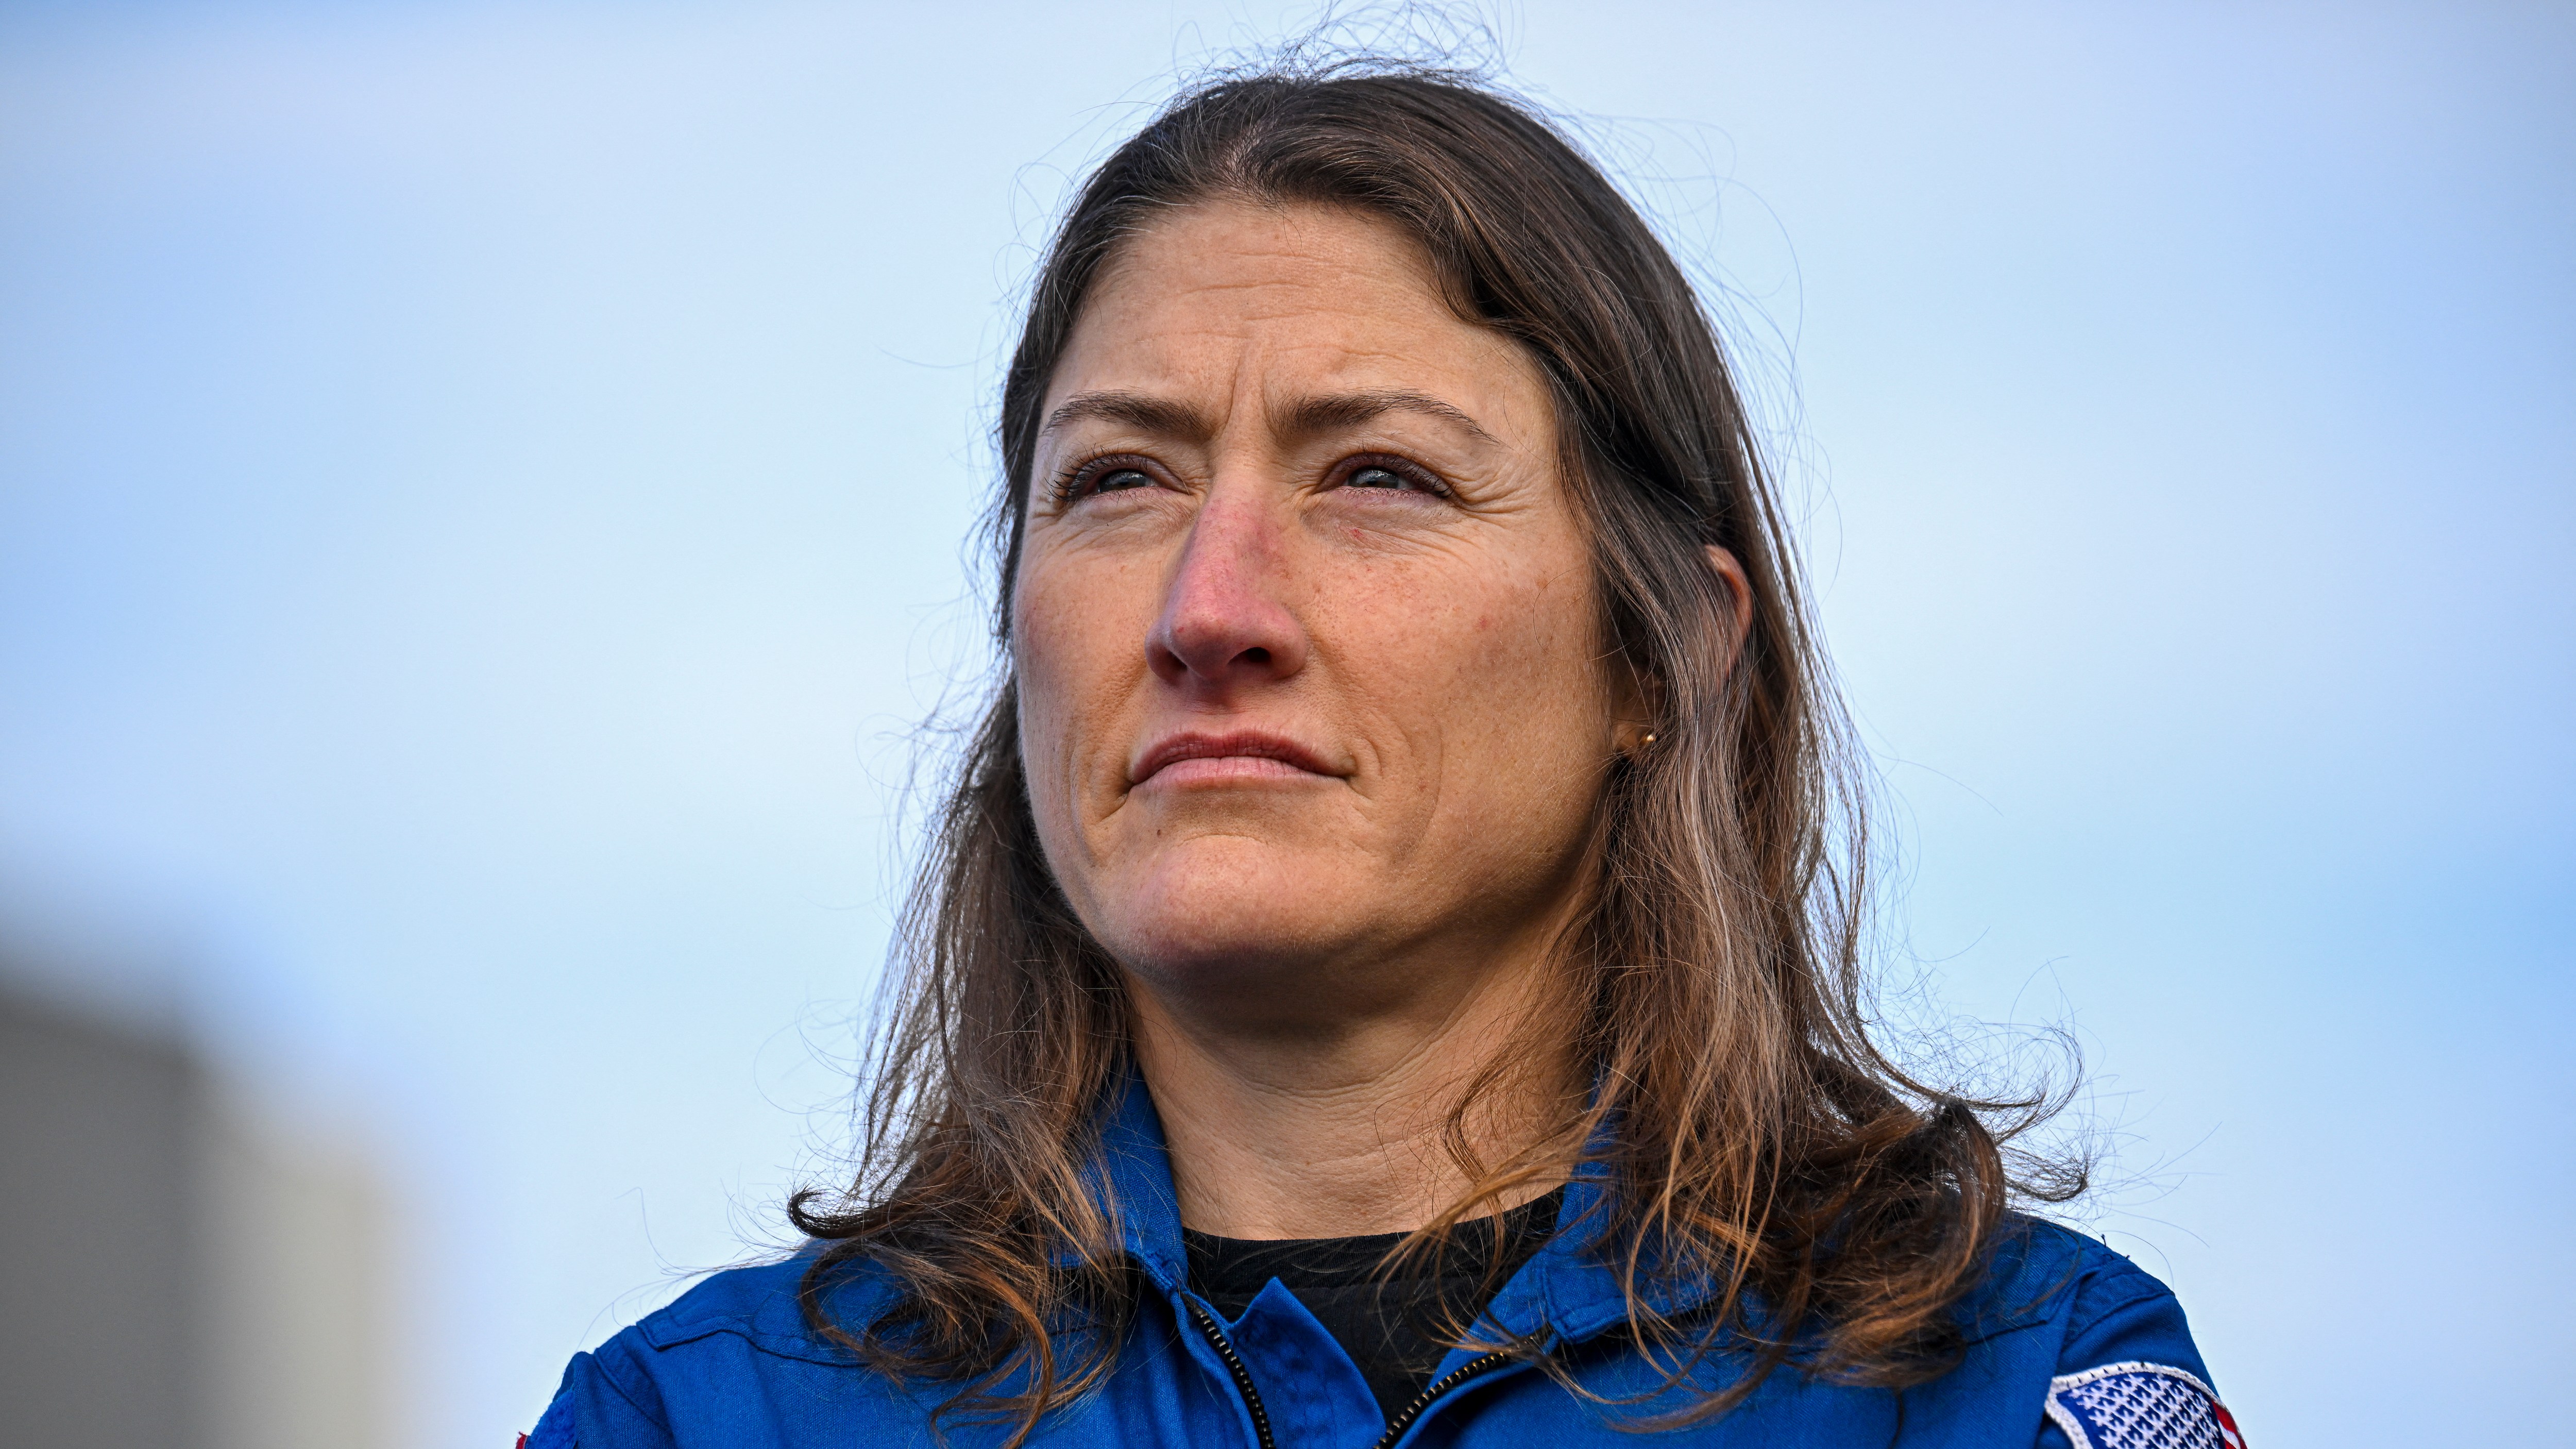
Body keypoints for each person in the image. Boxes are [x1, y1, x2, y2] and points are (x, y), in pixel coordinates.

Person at [524, 62, 2236, 1449]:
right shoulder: (693, 1420)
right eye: (1120, 478)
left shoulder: (2004, 1387)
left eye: (1380, 476)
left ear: (1668, 652)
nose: (1211, 608)